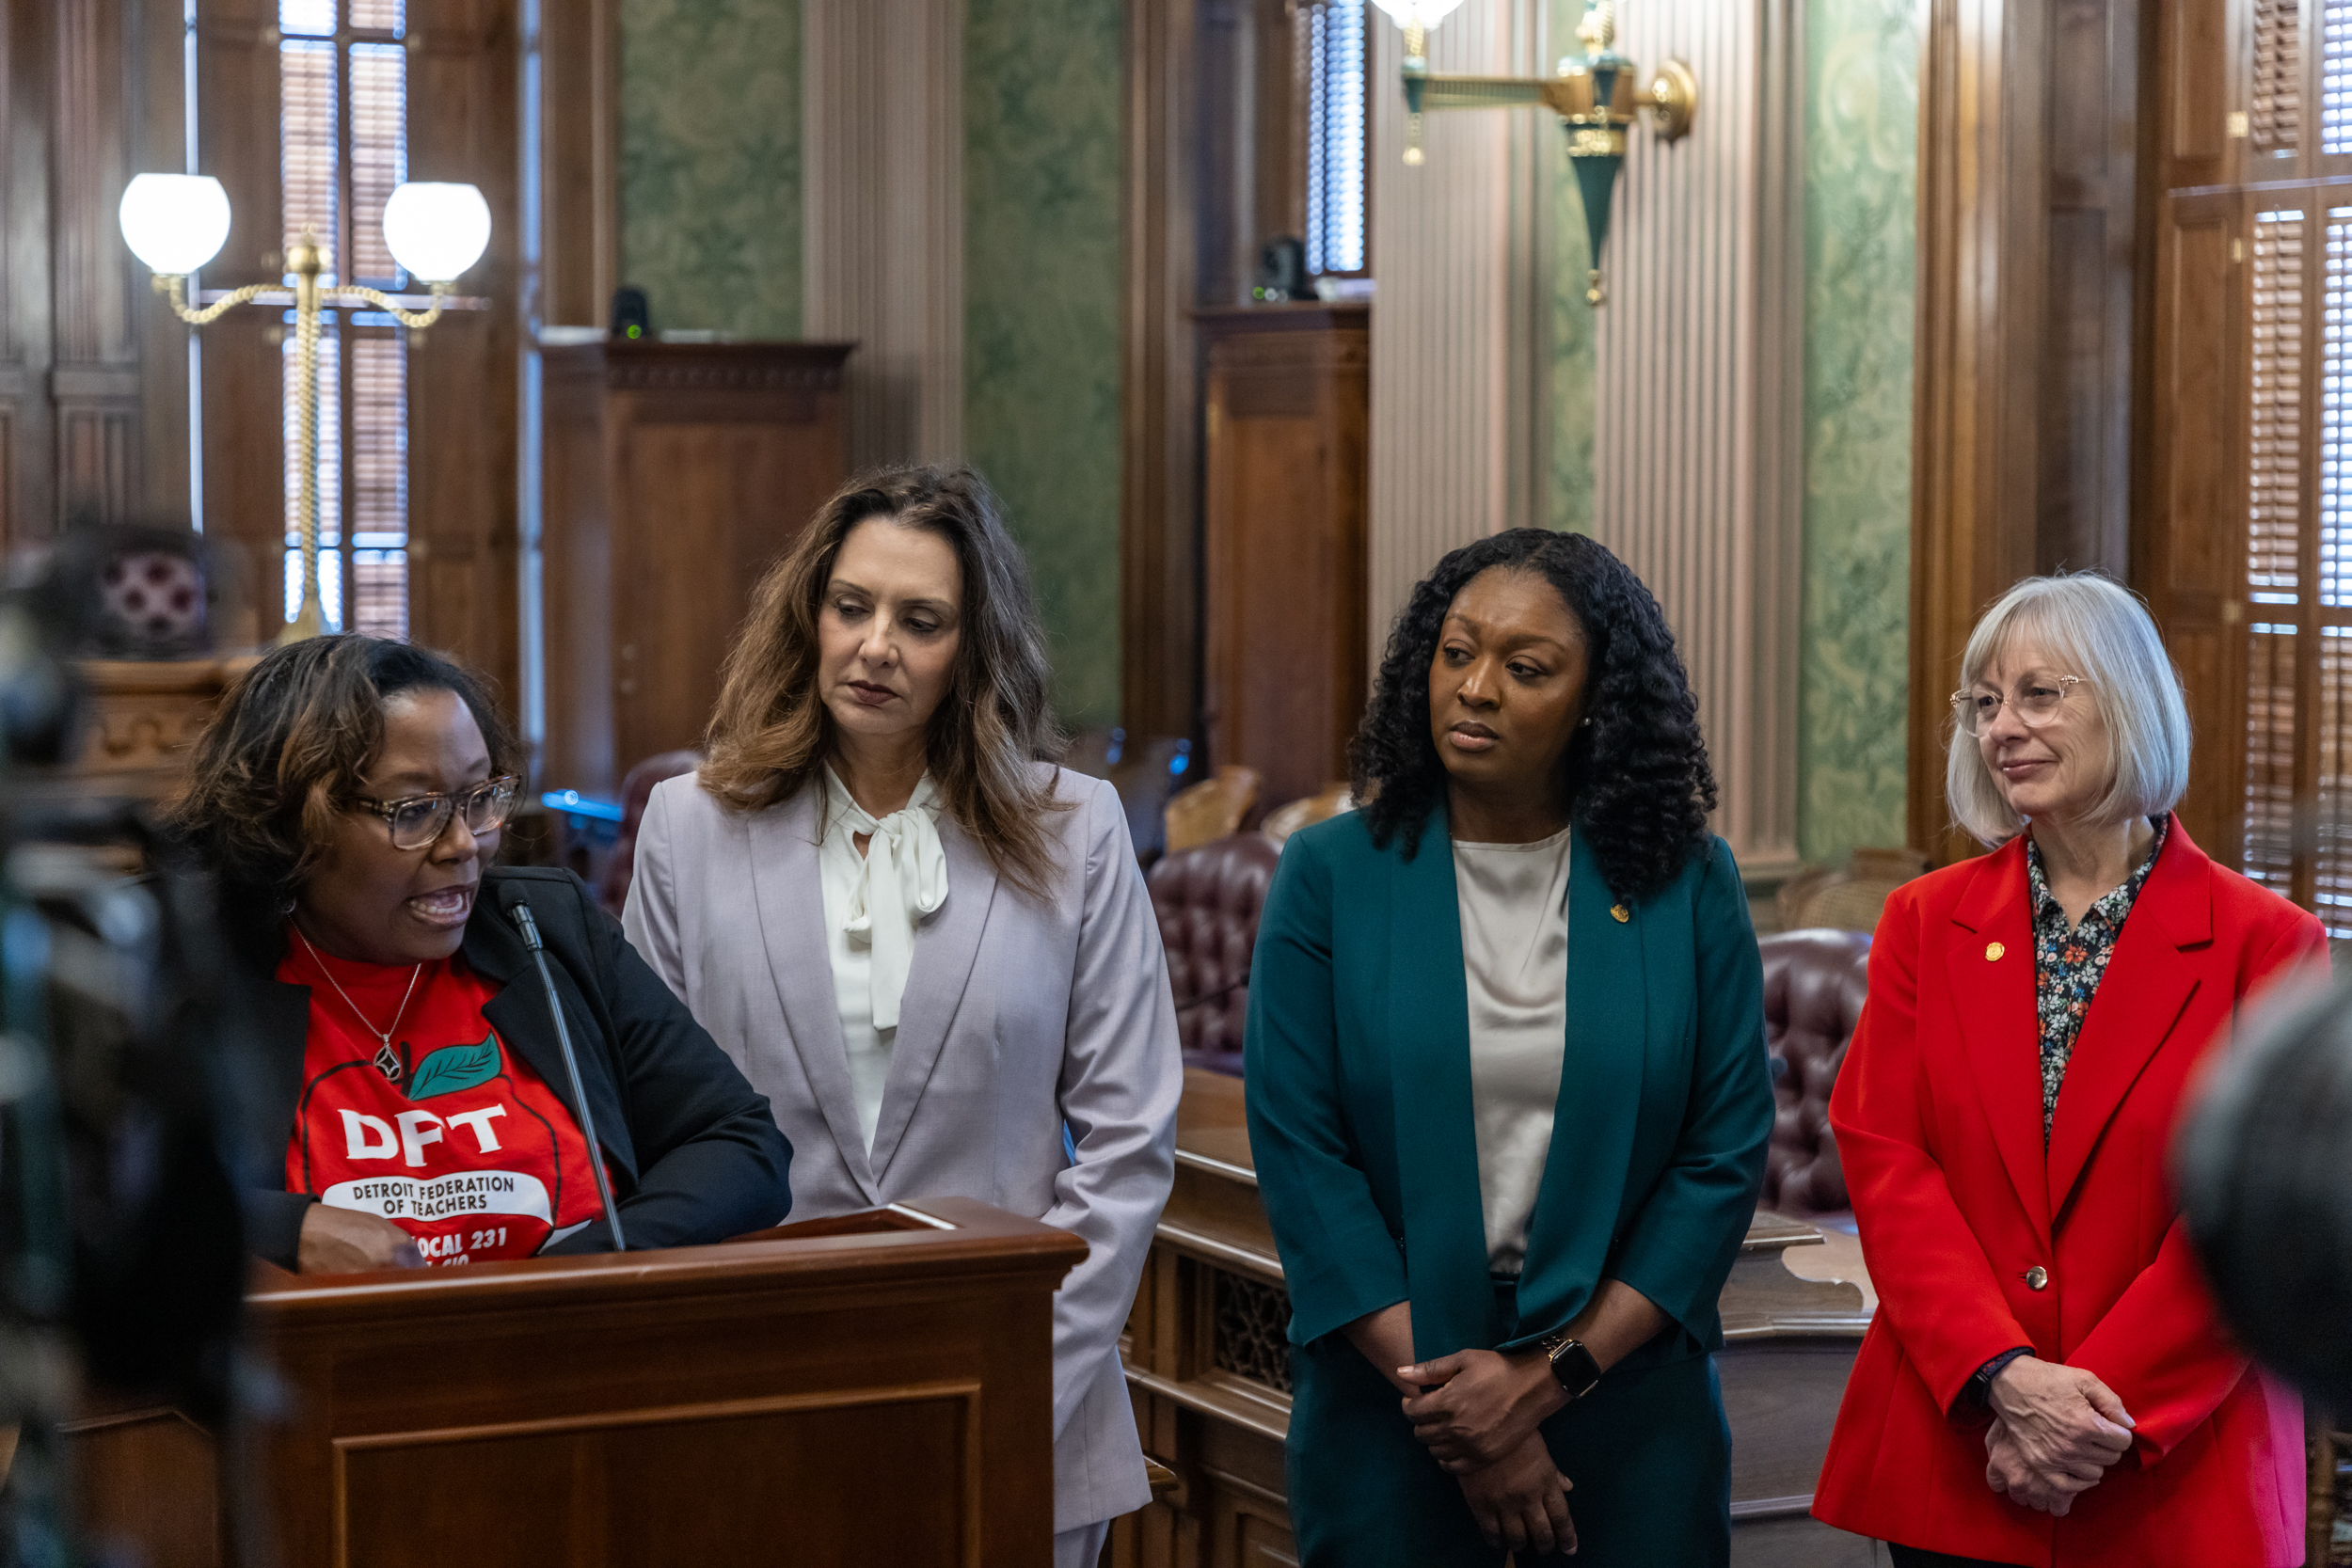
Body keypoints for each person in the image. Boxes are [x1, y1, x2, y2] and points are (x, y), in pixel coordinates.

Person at [622, 465, 1182, 1568]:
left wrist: (1021, 1365)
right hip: (755, 1395)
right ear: (809, 617)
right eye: (852, 607)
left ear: (971, 649)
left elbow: (1126, 1138)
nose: (876, 644)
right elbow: (646, 1120)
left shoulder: (1077, 827)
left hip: (1023, 1398)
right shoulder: (689, 823)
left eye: (920, 620)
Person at [1244, 527, 1773, 1567]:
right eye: (1455, 653)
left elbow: (1721, 1156)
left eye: (1524, 668)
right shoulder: (1329, 874)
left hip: (1626, 1397)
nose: (1475, 688)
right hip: (1393, 1398)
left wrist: (1544, 1381)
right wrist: (1462, 1413)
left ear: (1594, 703)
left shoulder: (1685, 882)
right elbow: (1305, 1158)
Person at [1811, 574, 2328, 1567]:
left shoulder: (2269, 942)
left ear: (2126, 700)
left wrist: (2084, 1413)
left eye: (2040, 693)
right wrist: (2001, 1373)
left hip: (2169, 1468)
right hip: (1964, 1443)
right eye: (1985, 701)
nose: (2003, 726)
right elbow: (1887, 1159)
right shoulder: (1924, 920)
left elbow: (2260, 1217)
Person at [164, 636, 793, 1275]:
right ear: (296, 821)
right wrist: (284, 1226)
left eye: (479, 799)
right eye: (416, 811)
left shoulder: (542, 929)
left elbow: (741, 1142)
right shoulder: (192, 961)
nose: (464, 845)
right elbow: (92, 1196)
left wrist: (565, 1278)